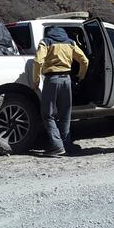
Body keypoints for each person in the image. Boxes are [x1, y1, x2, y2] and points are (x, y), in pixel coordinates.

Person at [33, 27, 89, 156]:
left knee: (48, 114)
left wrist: (35, 80)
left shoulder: (46, 42)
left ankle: (57, 146)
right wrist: (81, 76)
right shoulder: (70, 43)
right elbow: (85, 61)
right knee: (65, 114)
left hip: (52, 79)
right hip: (67, 80)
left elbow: (37, 60)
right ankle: (66, 145)